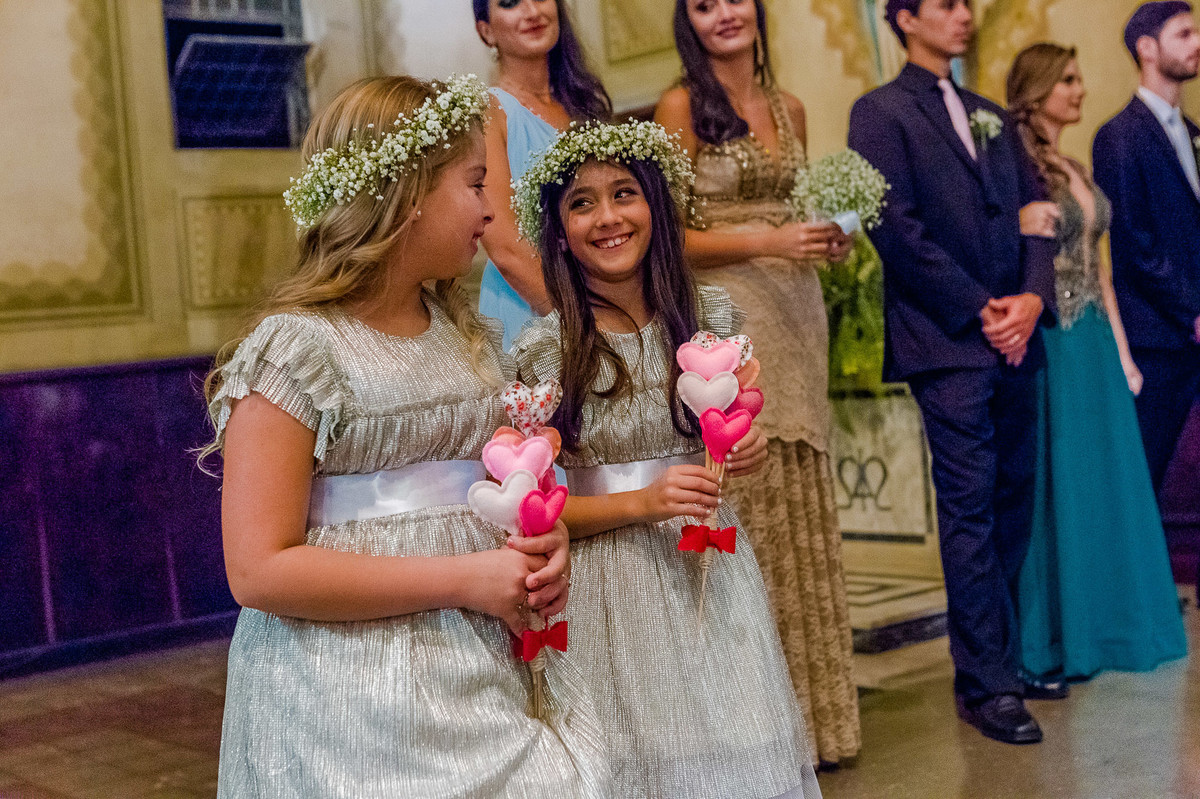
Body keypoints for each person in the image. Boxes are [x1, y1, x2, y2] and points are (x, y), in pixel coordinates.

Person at [202, 75, 610, 797]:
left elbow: (485, 490)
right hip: (347, 696)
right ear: (408, 193)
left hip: (477, 664)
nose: (490, 210)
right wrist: (466, 578)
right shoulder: (297, 351)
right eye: (475, 183)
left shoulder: (467, 341)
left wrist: (538, 543)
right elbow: (258, 569)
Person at [511, 121, 821, 798]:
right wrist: (642, 502)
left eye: (625, 193)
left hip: (708, 571)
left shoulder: (711, 316)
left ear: (656, 205)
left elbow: (724, 436)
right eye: (582, 203)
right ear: (559, 231)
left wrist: (745, 450)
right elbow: (534, 513)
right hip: (606, 591)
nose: (609, 216)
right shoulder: (545, 351)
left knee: (725, 747)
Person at [653, 0, 859, 766]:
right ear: (689, 23)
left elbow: (801, 209)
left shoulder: (790, 107)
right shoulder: (680, 105)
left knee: (801, 484)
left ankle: (817, 722)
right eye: (703, 5)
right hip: (731, 314)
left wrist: (824, 237)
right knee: (751, 487)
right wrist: (770, 237)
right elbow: (664, 233)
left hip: (799, 311)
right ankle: (756, 728)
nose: (725, 14)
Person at [848, 0, 1059, 745]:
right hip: (948, 341)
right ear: (902, 18)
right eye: (945, 4)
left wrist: (1032, 295)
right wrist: (983, 308)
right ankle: (987, 685)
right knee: (969, 512)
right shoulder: (879, 112)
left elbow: (1038, 208)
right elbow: (894, 228)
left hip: (1017, 335)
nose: (964, 15)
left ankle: (1000, 657)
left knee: (1012, 502)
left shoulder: (987, 110)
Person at [1007, 43, 1187, 683]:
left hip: (1093, 339)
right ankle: (1058, 638)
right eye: (1068, 81)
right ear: (1036, 92)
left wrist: (1122, 349)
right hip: (1053, 337)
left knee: (1110, 478)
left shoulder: (1074, 163)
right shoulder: (1019, 166)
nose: (1080, 91)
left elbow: (1100, 265)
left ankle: (1112, 624)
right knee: (1062, 484)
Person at [1093, 2, 1200, 510]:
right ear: (1147, 48)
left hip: (1193, 331)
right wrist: (1192, 311)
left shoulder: (1195, 134)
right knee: (1148, 477)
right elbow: (1135, 245)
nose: (1197, 42)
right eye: (1183, 34)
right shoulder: (1119, 137)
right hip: (1157, 336)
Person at [472, 0, 611, 348]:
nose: (532, 11)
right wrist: (583, 323)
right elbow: (504, 247)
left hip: (601, 289)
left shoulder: (582, 103)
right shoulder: (488, 112)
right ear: (485, 30)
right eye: (509, 3)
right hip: (530, 302)